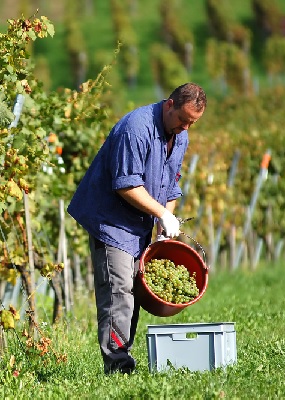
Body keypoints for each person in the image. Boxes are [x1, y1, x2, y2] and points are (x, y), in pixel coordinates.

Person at [67, 82, 207, 374]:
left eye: (192, 124)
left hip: (139, 222)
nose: (185, 128)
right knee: (119, 292)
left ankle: (121, 360)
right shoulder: (136, 129)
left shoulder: (179, 136)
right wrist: (158, 213)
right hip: (112, 221)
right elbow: (126, 185)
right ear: (169, 105)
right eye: (183, 120)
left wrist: (164, 221)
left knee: (133, 290)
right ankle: (118, 367)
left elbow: (171, 185)